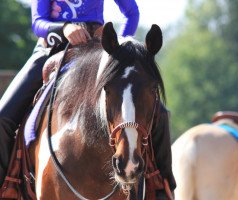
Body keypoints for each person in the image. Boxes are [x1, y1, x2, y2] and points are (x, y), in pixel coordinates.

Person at [0, 0, 176, 198]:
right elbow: (38, 22)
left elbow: (131, 13)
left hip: (98, 51)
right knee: (2, 117)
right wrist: (65, 28)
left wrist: (118, 45)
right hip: (52, 48)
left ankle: (161, 185)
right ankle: (7, 187)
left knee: (159, 111)